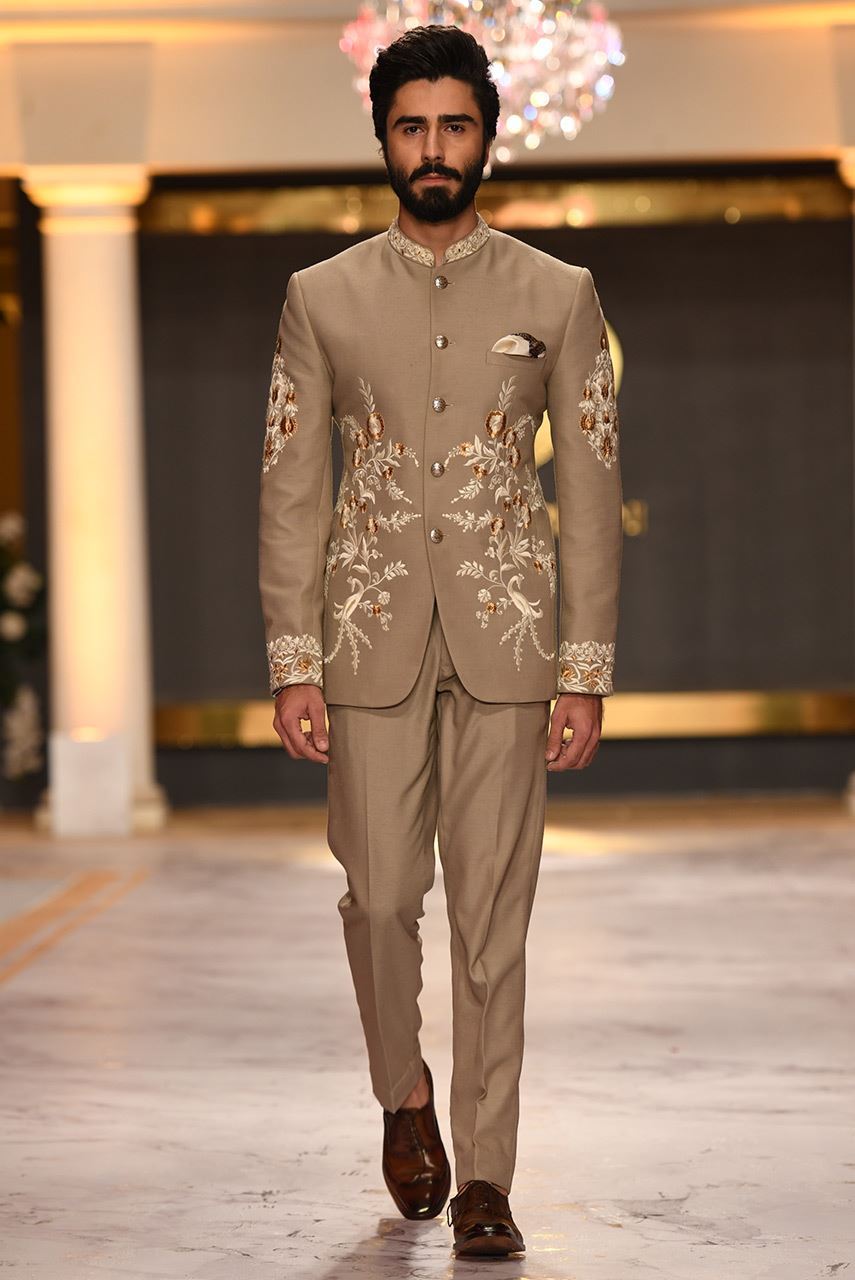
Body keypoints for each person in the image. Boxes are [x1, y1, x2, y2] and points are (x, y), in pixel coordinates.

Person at [258, 23, 623, 1260]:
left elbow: (590, 490)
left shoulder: (558, 294)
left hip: (510, 645)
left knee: (492, 919)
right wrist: (292, 658)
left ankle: (488, 1176)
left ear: (487, 138)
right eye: (412, 126)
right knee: (378, 900)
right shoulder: (320, 297)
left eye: (453, 125)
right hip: (365, 639)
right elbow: (291, 488)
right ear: (383, 139)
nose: (433, 147)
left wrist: (584, 668)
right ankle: (402, 1088)